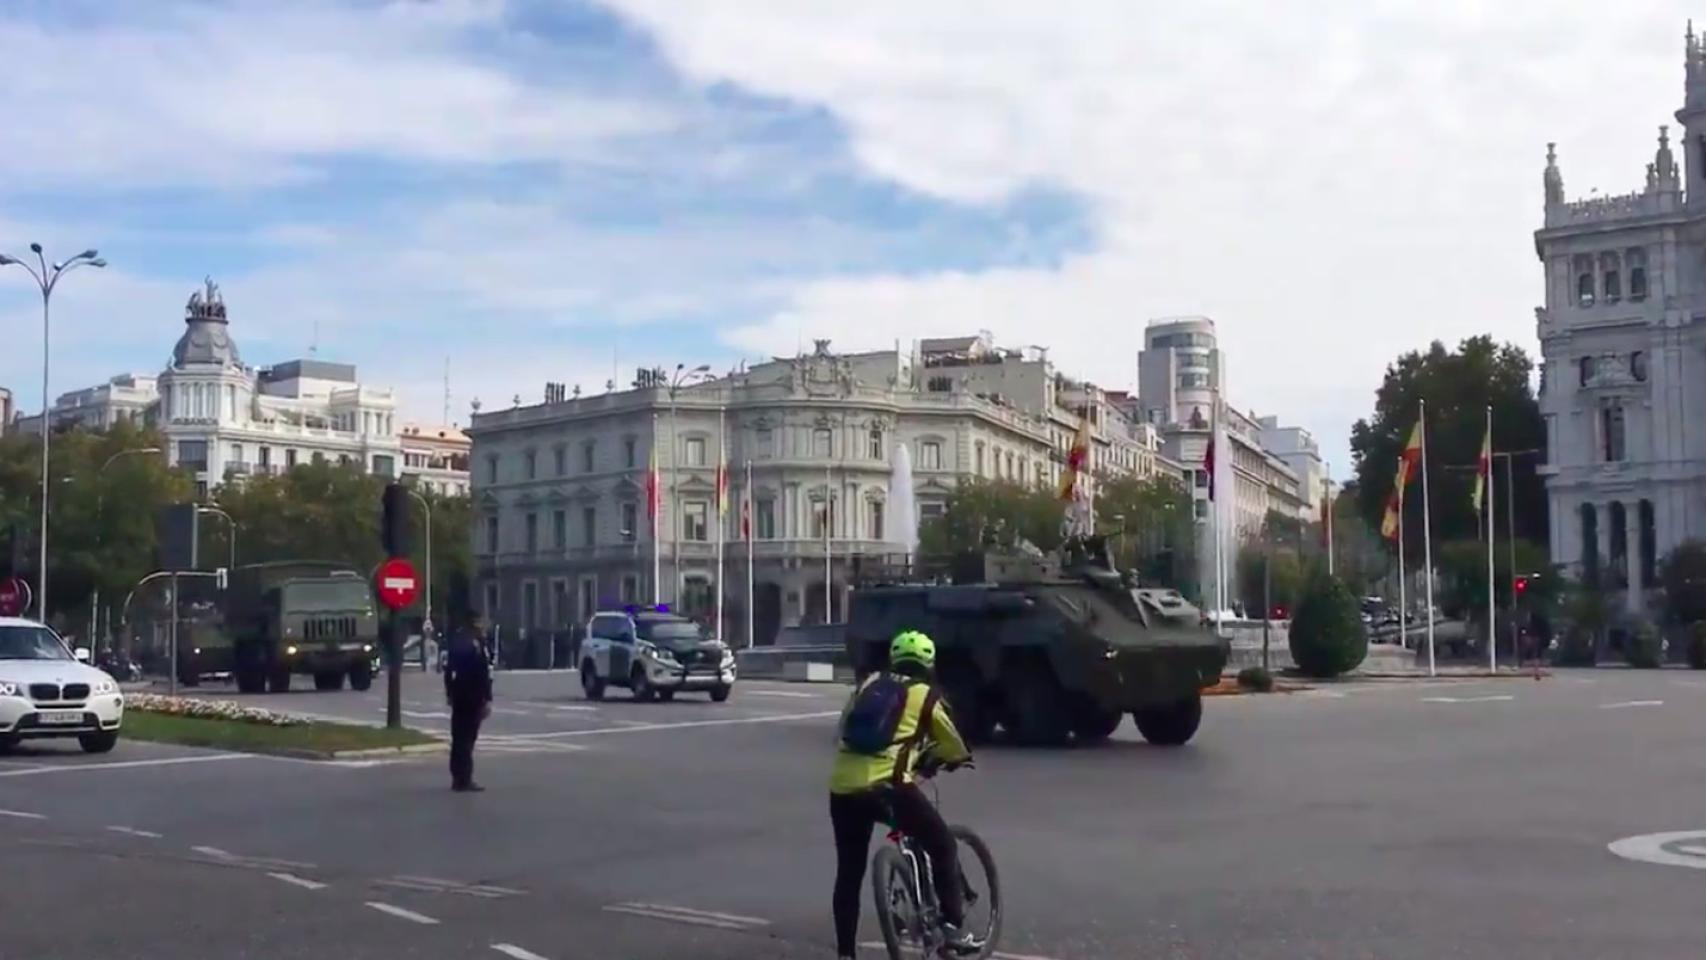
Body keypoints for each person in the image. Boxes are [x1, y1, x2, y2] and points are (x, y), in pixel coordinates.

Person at [828, 629, 980, 960]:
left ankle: (844, 954)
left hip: (842, 786)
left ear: (894, 659)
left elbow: (844, 730)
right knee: (942, 843)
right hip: (887, 785)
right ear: (929, 663)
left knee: (849, 873)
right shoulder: (926, 695)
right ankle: (954, 929)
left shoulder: (867, 685)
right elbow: (954, 745)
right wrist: (952, 760)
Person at [443, 615, 493, 793]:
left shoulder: (458, 643)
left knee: (458, 737)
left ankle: (457, 777)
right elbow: (482, 675)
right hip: (472, 698)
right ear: (476, 626)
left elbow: (449, 670)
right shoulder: (476, 646)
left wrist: (450, 692)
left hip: (459, 696)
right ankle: (465, 778)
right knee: (467, 739)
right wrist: (486, 699)